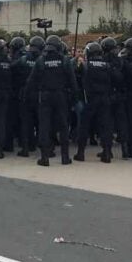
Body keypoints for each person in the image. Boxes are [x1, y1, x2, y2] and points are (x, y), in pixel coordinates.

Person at [26, 35, 78, 166]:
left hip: (44, 96)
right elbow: (73, 82)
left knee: (44, 126)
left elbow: (31, 82)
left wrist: (29, 97)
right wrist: (73, 100)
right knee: (63, 126)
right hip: (61, 96)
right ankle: (65, 157)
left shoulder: (40, 61)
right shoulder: (65, 60)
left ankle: (45, 157)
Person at [74, 42, 114, 163]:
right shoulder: (107, 65)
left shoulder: (86, 65)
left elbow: (76, 74)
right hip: (105, 99)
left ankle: (81, 153)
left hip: (90, 99)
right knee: (105, 126)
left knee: (84, 126)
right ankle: (107, 152)